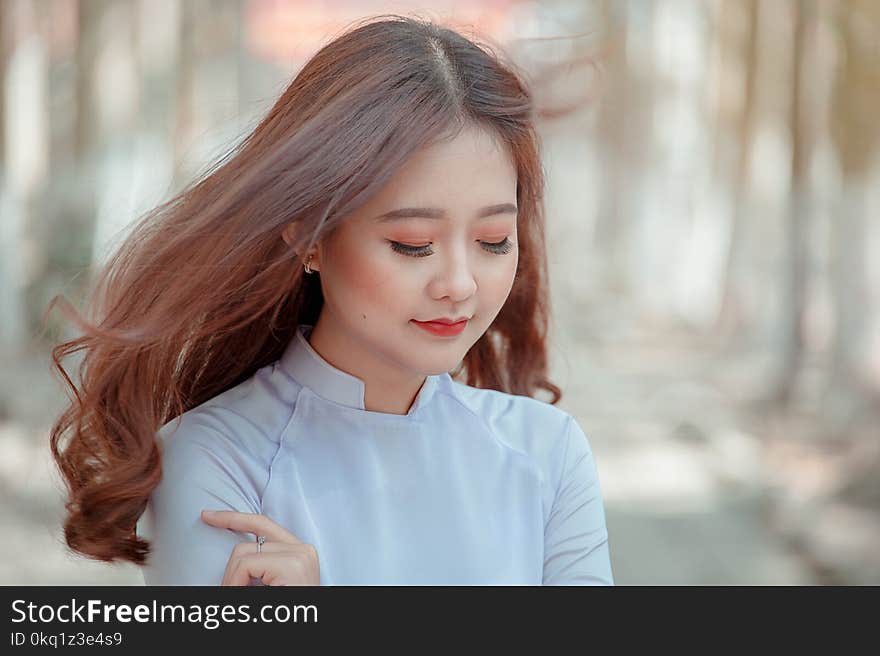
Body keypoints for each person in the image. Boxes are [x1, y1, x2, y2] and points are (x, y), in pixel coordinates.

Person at [47, 15, 613, 585]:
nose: (460, 284)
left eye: (494, 241)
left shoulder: (547, 453)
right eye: (413, 244)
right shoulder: (215, 459)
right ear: (310, 238)